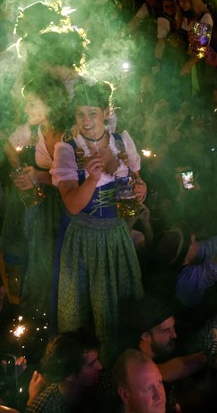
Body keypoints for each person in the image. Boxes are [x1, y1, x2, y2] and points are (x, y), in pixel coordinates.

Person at [51, 80, 145, 361]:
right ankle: (91, 369)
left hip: (116, 234)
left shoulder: (122, 141)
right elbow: (71, 205)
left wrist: (142, 189)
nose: (86, 121)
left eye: (92, 113)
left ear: (105, 112)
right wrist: (92, 178)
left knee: (119, 305)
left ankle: (121, 363)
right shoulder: (67, 149)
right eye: (80, 114)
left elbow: (138, 181)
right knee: (87, 310)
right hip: (85, 237)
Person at [3, 74, 71, 316]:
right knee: (41, 261)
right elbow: (10, 147)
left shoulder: (69, 134)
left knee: (62, 265)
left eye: (32, 103)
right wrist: (25, 173)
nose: (25, 108)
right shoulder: (38, 129)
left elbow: (77, 177)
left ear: (50, 102)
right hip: (44, 206)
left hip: (69, 208)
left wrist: (39, 176)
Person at [27, 330, 104, 413]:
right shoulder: (42, 409)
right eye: (91, 364)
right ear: (69, 375)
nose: (100, 367)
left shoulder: (103, 382)